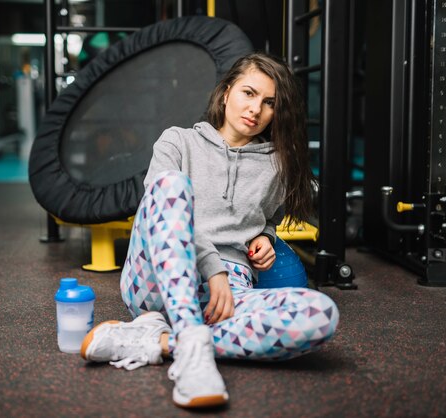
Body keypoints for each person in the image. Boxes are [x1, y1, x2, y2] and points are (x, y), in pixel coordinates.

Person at [80, 52, 340, 408]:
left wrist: (265, 236)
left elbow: (267, 217)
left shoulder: (278, 164)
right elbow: (158, 203)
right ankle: (191, 345)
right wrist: (212, 266)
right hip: (156, 283)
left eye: (269, 103)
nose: (256, 110)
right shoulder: (177, 142)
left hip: (227, 297)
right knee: (172, 185)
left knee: (322, 314)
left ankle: (162, 342)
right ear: (227, 91)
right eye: (248, 93)